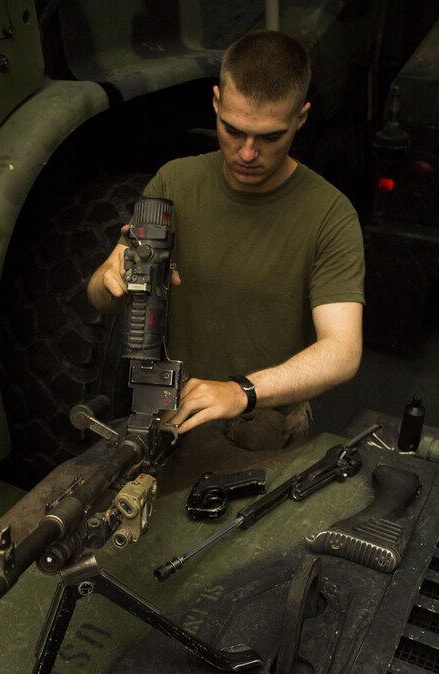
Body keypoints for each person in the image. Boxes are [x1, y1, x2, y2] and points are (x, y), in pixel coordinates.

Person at [87, 30, 365, 442]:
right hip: (176, 411)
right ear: (216, 103)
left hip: (268, 417)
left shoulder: (331, 214)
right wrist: (112, 283)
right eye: (233, 130)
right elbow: (99, 298)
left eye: (270, 136)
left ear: (301, 118)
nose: (248, 153)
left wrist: (242, 391)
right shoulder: (174, 182)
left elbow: (342, 350)